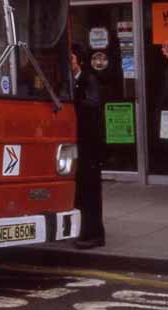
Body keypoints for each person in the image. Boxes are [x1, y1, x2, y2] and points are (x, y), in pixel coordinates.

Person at [71, 43, 105, 249]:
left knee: (91, 191)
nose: (69, 62)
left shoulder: (88, 79)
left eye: (72, 59)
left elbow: (92, 106)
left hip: (90, 146)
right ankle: (85, 232)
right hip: (80, 145)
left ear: (79, 61)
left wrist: (74, 103)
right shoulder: (71, 81)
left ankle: (95, 234)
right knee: (82, 191)